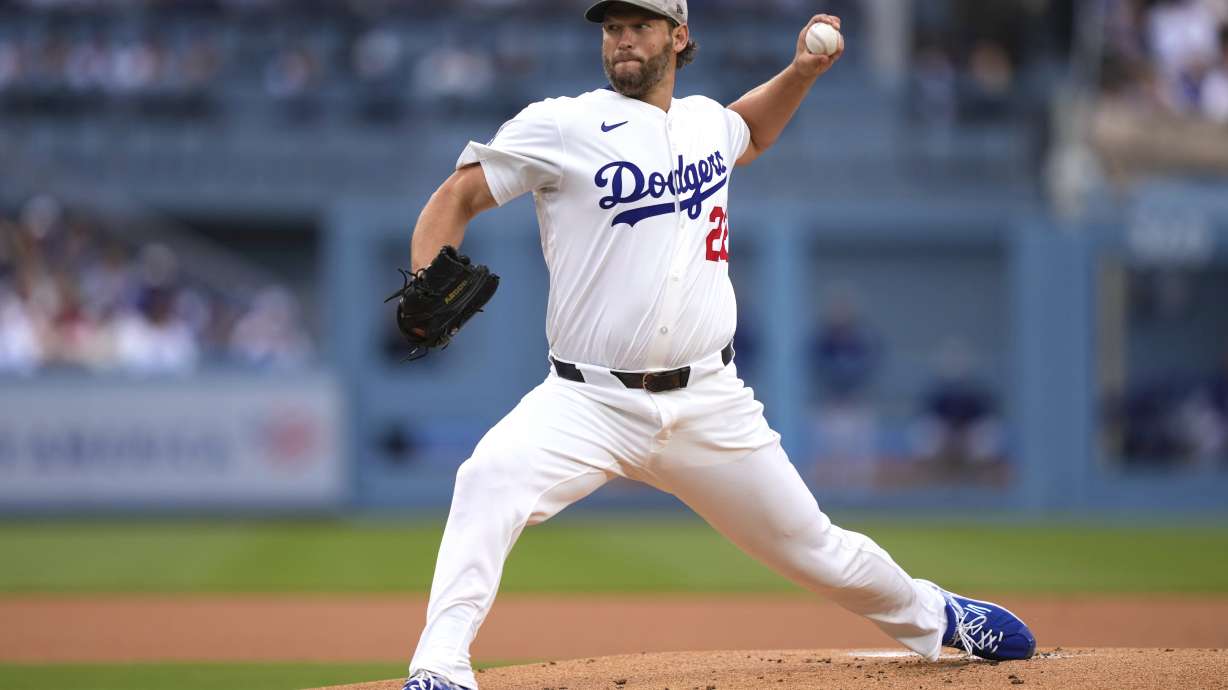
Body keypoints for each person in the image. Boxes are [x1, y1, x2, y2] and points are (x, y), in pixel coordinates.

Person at [402, 3, 1035, 689]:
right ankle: (439, 664)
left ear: (678, 36)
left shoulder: (706, 123)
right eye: (612, 27)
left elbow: (750, 131)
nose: (621, 39)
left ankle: (936, 614)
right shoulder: (563, 124)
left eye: (639, 25)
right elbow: (458, 194)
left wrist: (800, 72)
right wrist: (422, 279)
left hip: (708, 401)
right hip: (585, 400)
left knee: (816, 549)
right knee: (487, 478)